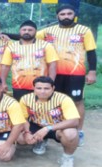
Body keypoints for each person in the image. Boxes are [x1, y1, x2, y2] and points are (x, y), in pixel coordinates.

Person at [36, 4, 97, 146]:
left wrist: (92, 71)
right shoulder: (47, 32)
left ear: (74, 15)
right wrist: (6, 36)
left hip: (75, 73)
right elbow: (27, 35)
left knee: (77, 102)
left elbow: (91, 52)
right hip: (52, 74)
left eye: (69, 13)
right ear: (57, 16)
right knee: (49, 102)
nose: (66, 16)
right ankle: (47, 134)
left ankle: (79, 131)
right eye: (62, 14)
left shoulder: (84, 30)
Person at [18, 76, 80, 167]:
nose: (42, 91)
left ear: (53, 88)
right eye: (39, 88)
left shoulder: (63, 99)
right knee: (20, 138)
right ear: (33, 88)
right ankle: (40, 141)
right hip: (36, 124)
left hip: (57, 126)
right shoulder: (25, 99)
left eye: (46, 88)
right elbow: (23, 119)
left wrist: (47, 128)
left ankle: (68, 157)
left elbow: (74, 121)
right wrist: (27, 132)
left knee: (71, 133)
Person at [1, 20, 59, 101]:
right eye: (24, 30)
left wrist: (50, 82)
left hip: (41, 86)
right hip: (19, 85)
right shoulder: (11, 47)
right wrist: (3, 82)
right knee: (21, 110)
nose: (27, 32)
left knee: (40, 109)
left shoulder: (46, 46)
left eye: (30, 30)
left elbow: (52, 65)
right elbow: (5, 66)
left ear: (35, 31)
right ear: (20, 31)